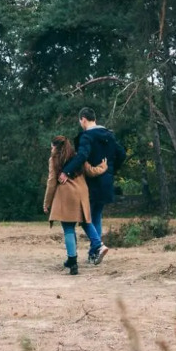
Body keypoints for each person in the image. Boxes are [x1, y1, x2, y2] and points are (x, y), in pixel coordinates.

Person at [58, 107, 126, 264]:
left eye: (80, 121)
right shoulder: (109, 135)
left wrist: (66, 171)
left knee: (84, 217)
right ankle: (93, 254)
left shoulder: (87, 136)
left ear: (83, 119)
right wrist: (110, 171)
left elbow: (82, 155)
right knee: (96, 216)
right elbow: (121, 154)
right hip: (106, 182)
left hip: (92, 184)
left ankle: (98, 245)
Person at [44, 135, 92, 275]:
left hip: (66, 196)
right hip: (81, 194)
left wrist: (47, 203)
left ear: (55, 147)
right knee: (86, 223)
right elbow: (89, 171)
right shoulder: (76, 156)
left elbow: (52, 181)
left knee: (68, 229)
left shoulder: (54, 160)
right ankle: (96, 245)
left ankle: (73, 261)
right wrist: (103, 167)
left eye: (52, 146)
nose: (51, 149)